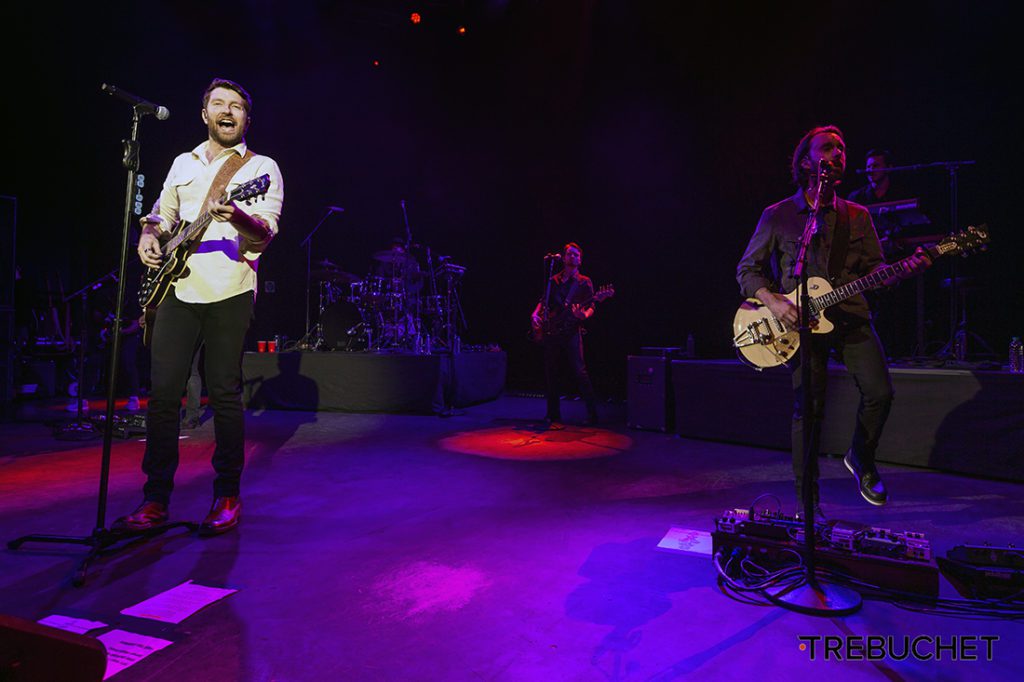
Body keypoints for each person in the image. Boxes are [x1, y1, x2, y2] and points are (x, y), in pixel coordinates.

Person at [114, 78, 284, 536]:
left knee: (224, 392)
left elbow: (264, 234)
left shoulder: (261, 168)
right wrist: (149, 235)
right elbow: (161, 214)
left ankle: (227, 495)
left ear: (247, 118)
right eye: (219, 104)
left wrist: (238, 216)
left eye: (236, 106)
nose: (227, 111)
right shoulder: (182, 163)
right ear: (205, 114)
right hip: (177, 287)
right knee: (163, 394)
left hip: (230, 287)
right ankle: (154, 500)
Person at [736, 125, 931, 515]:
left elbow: (876, 271)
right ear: (806, 162)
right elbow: (747, 270)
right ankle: (807, 507)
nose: (838, 153)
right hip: (799, 325)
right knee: (807, 411)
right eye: (827, 147)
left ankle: (861, 455)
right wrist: (774, 301)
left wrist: (902, 271)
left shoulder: (857, 216)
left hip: (851, 316)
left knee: (880, 392)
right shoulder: (778, 215)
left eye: (841, 148)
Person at [531, 242, 599, 426]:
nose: (573, 257)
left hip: (572, 331)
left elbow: (592, 306)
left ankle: (593, 415)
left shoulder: (584, 281)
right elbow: (543, 301)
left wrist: (584, 315)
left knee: (580, 372)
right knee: (551, 372)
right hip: (552, 331)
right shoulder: (553, 280)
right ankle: (552, 414)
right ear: (563, 257)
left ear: (580, 260)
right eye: (570, 254)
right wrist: (535, 314)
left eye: (576, 255)